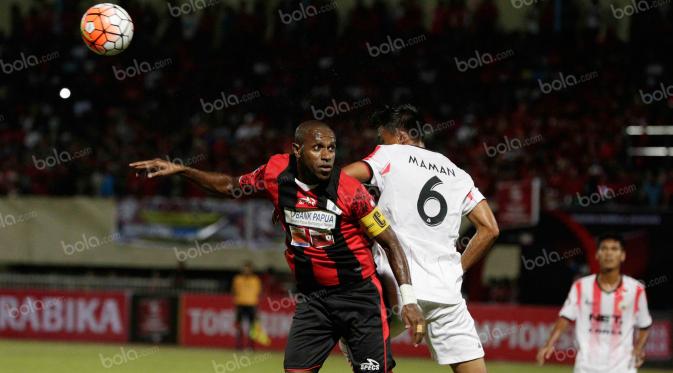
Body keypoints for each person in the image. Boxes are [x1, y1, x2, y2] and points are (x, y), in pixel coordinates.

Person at [130, 120, 425, 373]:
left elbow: (390, 242)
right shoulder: (275, 172)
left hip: (358, 298)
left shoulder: (352, 192)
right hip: (314, 301)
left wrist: (408, 300)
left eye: (332, 148)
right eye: (317, 148)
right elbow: (232, 185)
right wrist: (182, 170)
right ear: (297, 150)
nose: (326, 157)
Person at [341, 105, 499, 373]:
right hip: (446, 290)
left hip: (399, 286)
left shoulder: (390, 154)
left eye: (383, 137)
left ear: (401, 136)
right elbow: (490, 229)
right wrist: (456, 270)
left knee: (353, 340)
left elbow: (341, 177)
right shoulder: (457, 173)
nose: (380, 143)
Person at [537, 233, 652, 372]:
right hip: (586, 367)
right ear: (597, 254)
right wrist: (549, 343)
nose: (609, 253)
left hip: (622, 368)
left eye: (614, 249)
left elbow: (644, 325)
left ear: (623, 255)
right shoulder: (581, 286)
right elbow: (565, 317)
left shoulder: (636, 289)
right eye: (604, 248)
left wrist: (639, 349)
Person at [231, 261, 262, 350]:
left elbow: (258, 293)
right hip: (240, 304)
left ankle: (251, 346)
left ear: (251, 270)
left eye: (248, 269)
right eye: (245, 269)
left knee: (251, 327)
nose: (246, 271)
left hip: (252, 305)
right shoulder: (237, 279)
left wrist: (257, 308)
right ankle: (239, 346)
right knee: (239, 326)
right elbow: (233, 291)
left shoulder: (256, 280)